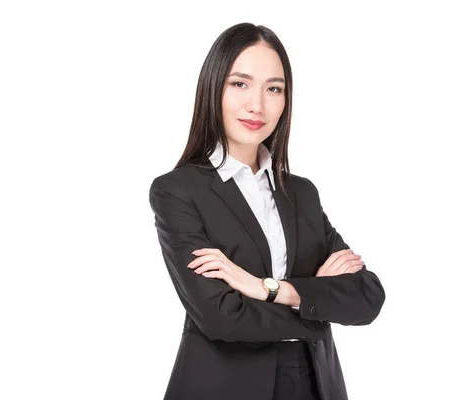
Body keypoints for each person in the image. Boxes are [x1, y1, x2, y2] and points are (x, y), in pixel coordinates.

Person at [148, 22, 386, 400]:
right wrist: (316, 304)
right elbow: (220, 315)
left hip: (314, 384)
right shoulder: (178, 191)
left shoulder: (301, 193)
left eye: (273, 88)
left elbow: (368, 296)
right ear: (213, 88)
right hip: (224, 386)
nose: (257, 104)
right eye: (239, 83)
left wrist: (266, 289)